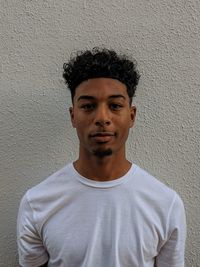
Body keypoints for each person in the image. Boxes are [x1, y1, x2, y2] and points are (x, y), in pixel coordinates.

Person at [17, 48, 186, 267]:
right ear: (73, 116)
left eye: (115, 106)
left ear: (131, 116)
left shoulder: (165, 204)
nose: (102, 117)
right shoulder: (38, 203)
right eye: (88, 106)